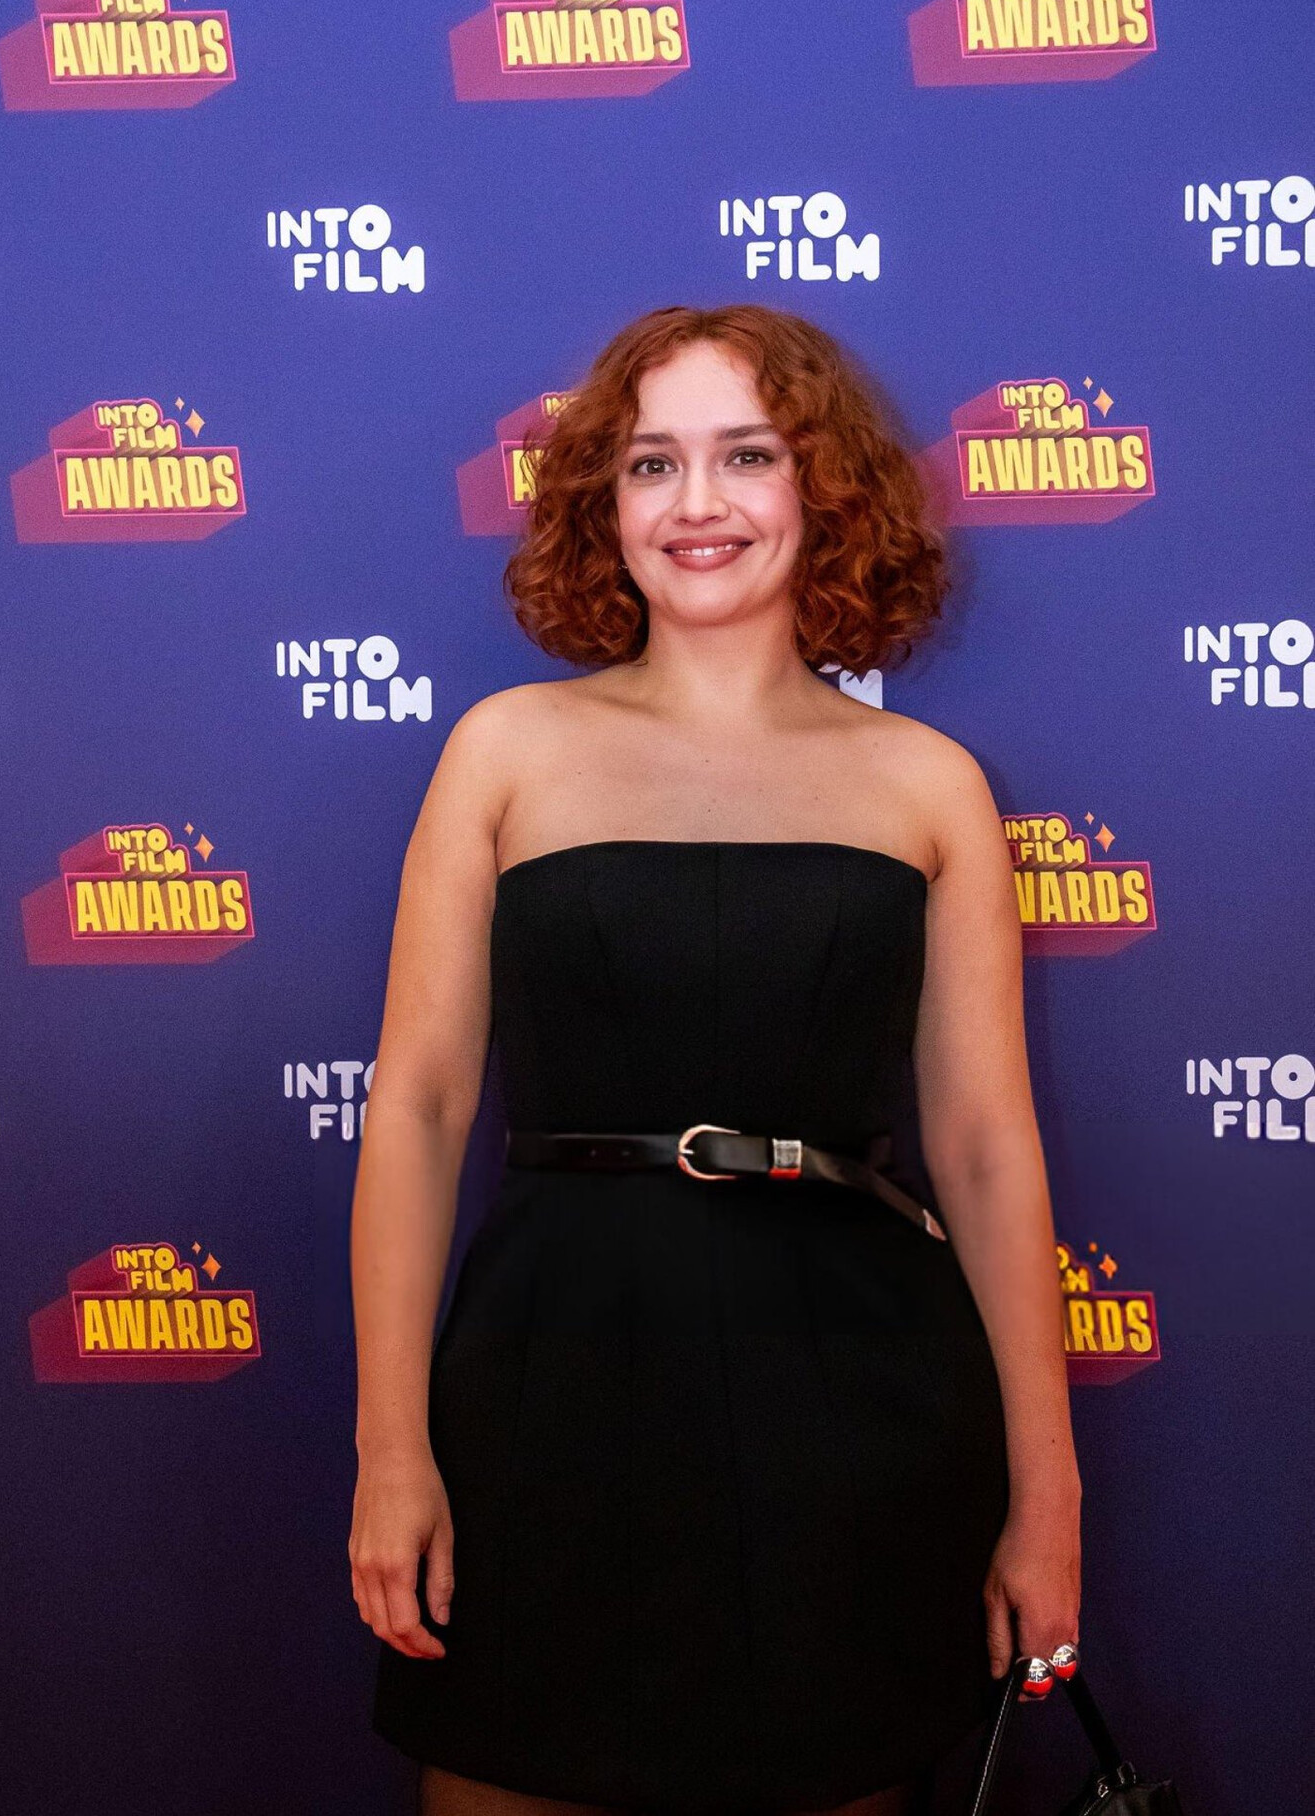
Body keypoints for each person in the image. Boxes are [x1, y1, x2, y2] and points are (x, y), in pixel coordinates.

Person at [350, 303, 1082, 1816]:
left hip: (857, 1402)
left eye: (748, 455)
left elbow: (985, 1147)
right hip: (546, 1389)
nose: (697, 503)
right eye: (650, 463)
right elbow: (417, 1110)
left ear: (823, 487)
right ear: (601, 505)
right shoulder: (503, 750)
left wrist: (1047, 1492)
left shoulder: (931, 785)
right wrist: (391, 1449)